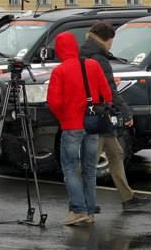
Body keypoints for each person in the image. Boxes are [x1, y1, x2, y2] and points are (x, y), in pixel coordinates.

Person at [78, 23, 150, 212]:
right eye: (112, 41)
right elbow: (109, 88)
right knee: (90, 161)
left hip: (93, 113)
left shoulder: (84, 52)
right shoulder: (99, 58)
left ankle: (128, 197)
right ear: (106, 38)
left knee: (116, 154)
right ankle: (80, 203)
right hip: (100, 114)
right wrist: (125, 111)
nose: (112, 46)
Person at [48, 31, 112, 225]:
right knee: (89, 169)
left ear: (60, 49)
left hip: (71, 125)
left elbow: (54, 101)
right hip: (92, 125)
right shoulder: (92, 65)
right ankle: (90, 211)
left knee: (69, 168)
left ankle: (78, 210)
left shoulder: (60, 71)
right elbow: (107, 95)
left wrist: (63, 119)